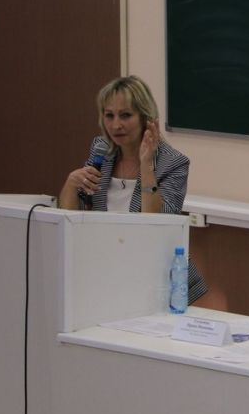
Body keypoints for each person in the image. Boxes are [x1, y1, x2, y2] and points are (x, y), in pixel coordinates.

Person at [58, 75, 206, 302]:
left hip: (156, 279)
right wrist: (70, 184)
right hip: (105, 270)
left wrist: (146, 165)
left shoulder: (173, 162)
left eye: (125, 115)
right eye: (109, 115)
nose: (116, 125)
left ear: (146, 118)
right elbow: (69, 219)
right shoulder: (101, 150)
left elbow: (157, 224)